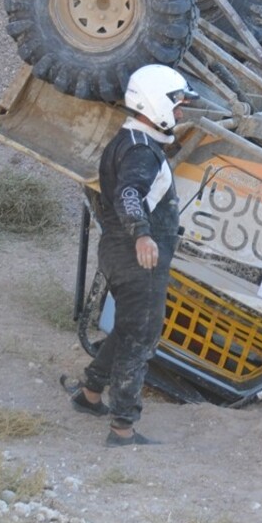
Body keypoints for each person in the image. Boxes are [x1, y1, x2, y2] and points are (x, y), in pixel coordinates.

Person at [65, 63, 198, 447]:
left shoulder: (131, 142)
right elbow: (129, 194)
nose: (180, 113)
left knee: (126, 330)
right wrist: (143, 235)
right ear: (154, 104)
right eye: (176, 105)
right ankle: (122, 428)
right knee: (141, 338)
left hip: (118, 251)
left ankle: (90, 395)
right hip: (138, 258)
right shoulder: (142, 152)